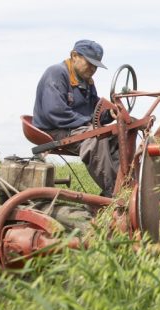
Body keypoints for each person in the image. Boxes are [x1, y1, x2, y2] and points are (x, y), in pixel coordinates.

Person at [33, 39, 119, 197]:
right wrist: (89, 124)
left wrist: (110, 113)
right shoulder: (56, 73)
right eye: (90, 63)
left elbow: (95, 110)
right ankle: (113, 192)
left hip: (77, 127)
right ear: (74, 56)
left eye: (96, 66)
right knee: (96, 137)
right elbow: (55, 112)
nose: (93, 69)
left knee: (116, 135)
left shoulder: (86, 81)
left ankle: (124, 184)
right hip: (55, 129)